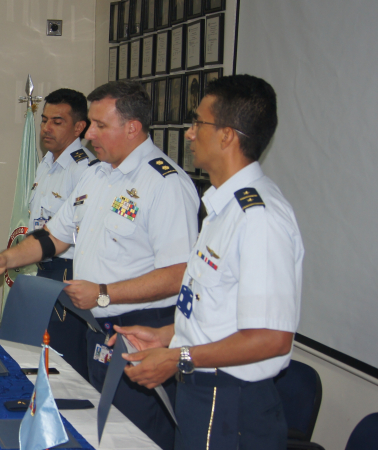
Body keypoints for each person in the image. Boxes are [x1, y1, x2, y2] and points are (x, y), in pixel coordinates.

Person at [0, 80, 199, 450]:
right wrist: (5, 260)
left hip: (142, 334)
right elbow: (55, 237)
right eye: (89, 124)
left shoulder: (165, 184)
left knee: (135, 436)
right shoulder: (96, 174)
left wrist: (105, 293)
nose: (89, 135)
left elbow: (180, 274)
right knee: (97, 432)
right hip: (96, 329)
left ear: (132, 127)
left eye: (99, 126)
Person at [111, 74, 304, 449]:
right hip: (202, 393)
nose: (189, 133)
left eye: (199, 122)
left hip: (231, 405)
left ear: (227, 135)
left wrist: (177, 357)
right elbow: (216, 312)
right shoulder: (222, 208)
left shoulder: (258, 218)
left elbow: (271, 338)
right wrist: (168, 336)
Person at [31, 88, 95, 380]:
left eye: (57, 121)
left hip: (69, 273)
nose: (46, 128)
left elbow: (82, 234)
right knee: (43, 355)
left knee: (66, 365)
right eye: (44, 120)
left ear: (79, 127)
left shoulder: (84, 169)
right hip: (44, 269)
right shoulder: (46, 163)